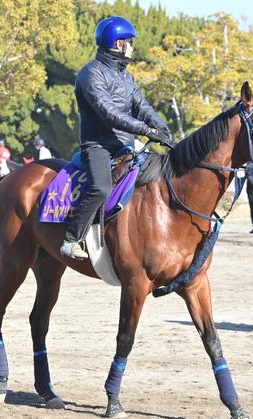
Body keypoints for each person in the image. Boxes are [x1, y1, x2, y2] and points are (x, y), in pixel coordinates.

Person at [60, 16, 172, 259]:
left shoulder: (126, 77)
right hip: (98, 146)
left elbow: (142, 107)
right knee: (101, 187)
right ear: (118, 44)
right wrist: (146, 130)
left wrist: (162, 129)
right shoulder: (90, 73)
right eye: (130, 42)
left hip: (125, 145)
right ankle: (71, 239)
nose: (132, 47)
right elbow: (108, 113)